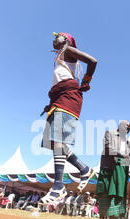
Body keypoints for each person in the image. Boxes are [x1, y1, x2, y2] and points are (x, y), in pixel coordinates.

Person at [40, 32, 98, 204]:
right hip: (58, 99)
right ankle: (84, 168)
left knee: (57, 140)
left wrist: (86, 80)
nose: (54, 37)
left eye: (58, 35)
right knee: (54, 142)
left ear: (66, 40)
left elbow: (93, 61)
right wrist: (50, 104)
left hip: (68, 98)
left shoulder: (68, 50)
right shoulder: (60, 56)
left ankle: (58, 185)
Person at [96, 120, 130, 219]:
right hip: (107, 169)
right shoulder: (109, 133)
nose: (127, 129)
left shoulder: (128, 143)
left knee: (117, 195)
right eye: (126, 126)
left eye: (129, 128)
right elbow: (107, 148)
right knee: (104, 194)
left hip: (120, 172)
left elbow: (126, 161)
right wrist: (122, 155)